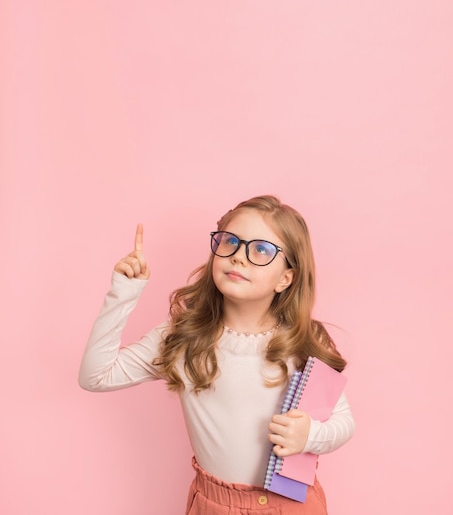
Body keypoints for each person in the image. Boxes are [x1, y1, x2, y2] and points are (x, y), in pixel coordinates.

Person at [79, 195, 355, 514]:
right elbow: (95, 376)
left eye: (261, 250)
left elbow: (343, 422)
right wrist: (122, 294)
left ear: (286, 278)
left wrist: (311, 435)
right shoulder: (182, 337)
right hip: (214, 505)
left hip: (292, 505)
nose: (239, 257)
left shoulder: (302, 341)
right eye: (230, 242)